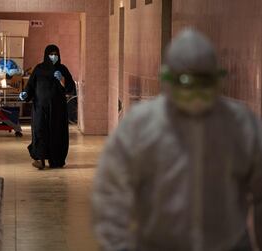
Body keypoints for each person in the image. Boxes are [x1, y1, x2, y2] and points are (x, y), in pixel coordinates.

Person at [92, 29, 262, 251]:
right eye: (186, 85)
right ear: (168, 80)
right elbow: (111, 194)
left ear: (216, 80)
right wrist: (116, 245)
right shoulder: (140, 126)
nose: (195, 96)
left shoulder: (241, 126)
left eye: (203, 85)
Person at [19, 44, 75, 169]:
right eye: (51, 54)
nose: (54, 56)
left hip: (58, 110)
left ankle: (56, 160)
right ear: (46, 55)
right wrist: (25, 94)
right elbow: (31, 86)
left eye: (56, 54)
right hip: (40, 108)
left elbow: (71, 89)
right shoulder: (39, 69)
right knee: (40, 131)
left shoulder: (62, 70)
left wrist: (62, 80)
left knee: (56, 134)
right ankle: (40, 159)